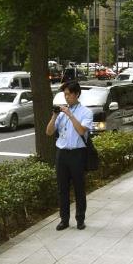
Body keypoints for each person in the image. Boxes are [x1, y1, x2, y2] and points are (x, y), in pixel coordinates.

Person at [45, 81, 94, 231]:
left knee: (79, 188)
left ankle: (80, 219)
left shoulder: (86, 112)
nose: (66, 97)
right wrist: (54, 116)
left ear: (77, 94)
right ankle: (64, 220)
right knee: (62, 189)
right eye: (64, 94)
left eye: (69, 94)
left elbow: (81, 131)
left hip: (77, 154)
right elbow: (49, 132)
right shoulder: (61, 113)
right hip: (62, 153)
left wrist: (70, 115)